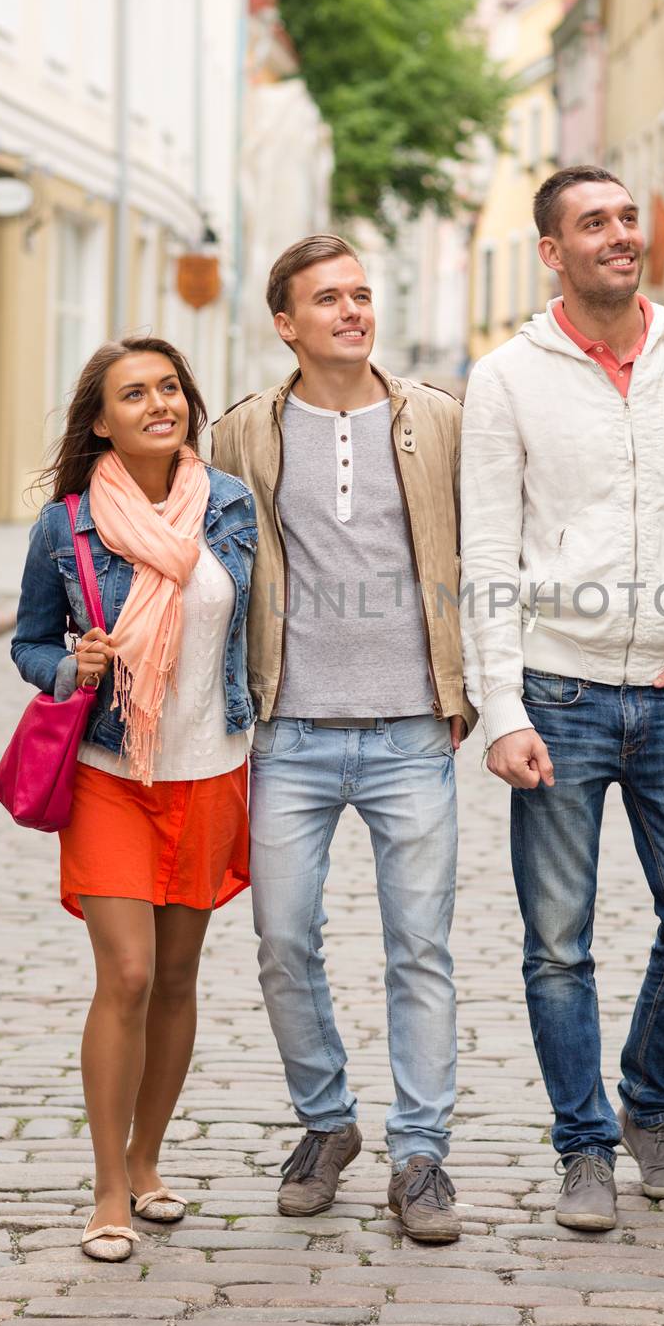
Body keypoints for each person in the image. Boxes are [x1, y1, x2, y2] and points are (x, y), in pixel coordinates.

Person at [460, 165, 664, 1231]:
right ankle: (583, 1145)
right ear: (552, 250)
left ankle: (650, 1103)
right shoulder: (507, 377)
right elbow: (488, 548)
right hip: (558, 690)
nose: (621, 235)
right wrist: (502, 708)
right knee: (557, 940)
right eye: (595, 223)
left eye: (628, 217)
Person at [212, 234, 474, 1244]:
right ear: (286, 321)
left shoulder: (436, 420)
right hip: (290, 730)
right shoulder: (245, 430)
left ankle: (422, 1155)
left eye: (362, 293)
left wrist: (471, 688)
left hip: (413, 726)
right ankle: (326, 1122)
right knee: (283, 940)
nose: (351, 310)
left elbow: (485, 548)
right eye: (328, 298)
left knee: (420, 948)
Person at [11, 336, 257, 1263]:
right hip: (113, 773)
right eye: (132, 394)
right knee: (128, 974)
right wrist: (67, 663)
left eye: (168, 388)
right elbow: (31, 643)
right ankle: (108, 1187)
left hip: (211, 767)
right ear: (101, 419)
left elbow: (257, 629)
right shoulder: (66, 524)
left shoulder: (230, 507)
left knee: (181, 978)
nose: (157, 404)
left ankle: (148, 1161)